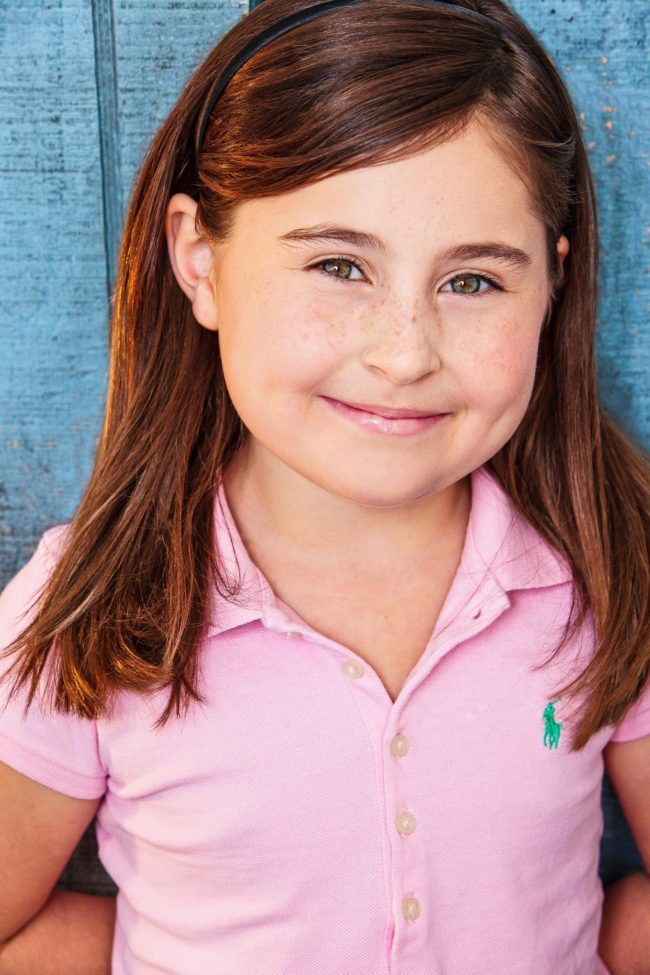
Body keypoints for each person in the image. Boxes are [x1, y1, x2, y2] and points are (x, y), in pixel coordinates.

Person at [0, 0, 648, 972]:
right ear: (199, 258)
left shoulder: (608, 564)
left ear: (550, 288)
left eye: (471, 281)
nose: (402, 355)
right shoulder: (91, 608)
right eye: (339, 265)